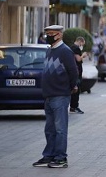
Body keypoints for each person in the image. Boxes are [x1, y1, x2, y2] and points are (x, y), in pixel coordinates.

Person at [33, 25, 79, 169]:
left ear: (59, 35)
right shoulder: (50, 50)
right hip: (49, 95)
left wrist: (72, 87)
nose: (48, 36)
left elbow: (73, 71)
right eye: (47, 33)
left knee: (60, 129)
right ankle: (49, 155)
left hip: (60, 95)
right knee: (50, 129)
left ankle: (61, 158)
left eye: (51, 34)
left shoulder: (65, 51)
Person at [69, 37, 86, 114]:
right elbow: (78, 59)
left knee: (74, 89)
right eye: (82, 43)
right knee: (76, 89)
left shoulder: (71, 47)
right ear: (80, 41)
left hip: (74, 71)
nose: (82, 45)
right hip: (76, 72)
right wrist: (83, 55)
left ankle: (73, 106)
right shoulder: (76, 48)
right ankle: (74, 106)